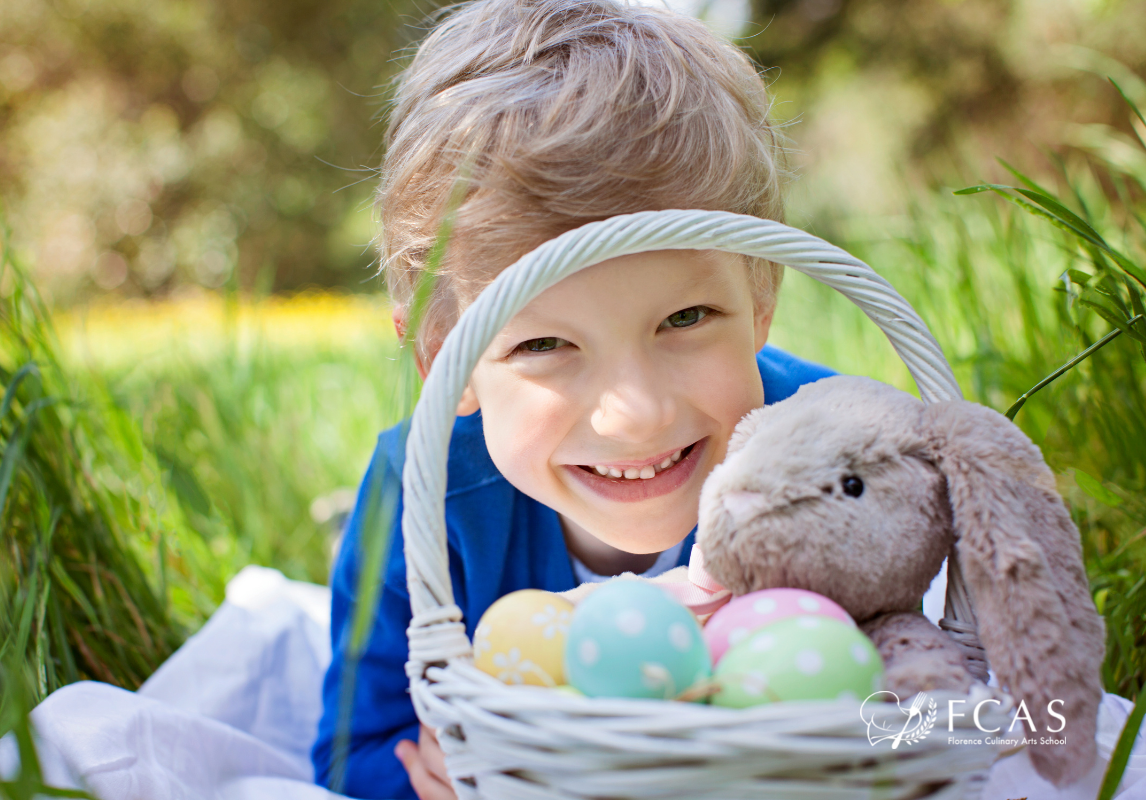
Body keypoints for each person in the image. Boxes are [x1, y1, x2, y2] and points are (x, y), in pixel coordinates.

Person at [313, 1, 834, 797]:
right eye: (544, 345)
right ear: (442, 360)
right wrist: (428, 780)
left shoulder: (831, 452)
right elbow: (353, 749)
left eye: (685, 317)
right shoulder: (422, 493)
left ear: (760, 296)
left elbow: (927, 683)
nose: (637, 413)